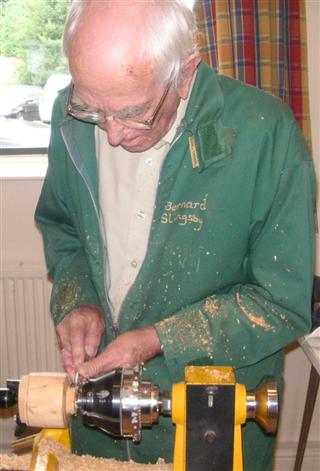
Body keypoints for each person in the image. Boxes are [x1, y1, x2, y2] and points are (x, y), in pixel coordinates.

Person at [35, 0, 316, 469]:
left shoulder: (265, 134)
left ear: (185, 73)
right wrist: (77, 297)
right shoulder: (72, 116)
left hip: (212, 424)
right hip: (99, 427)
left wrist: (158, 338)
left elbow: (282, 303)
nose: (111, 135)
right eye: (92, 109)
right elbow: (62, 227)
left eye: (134, 114)